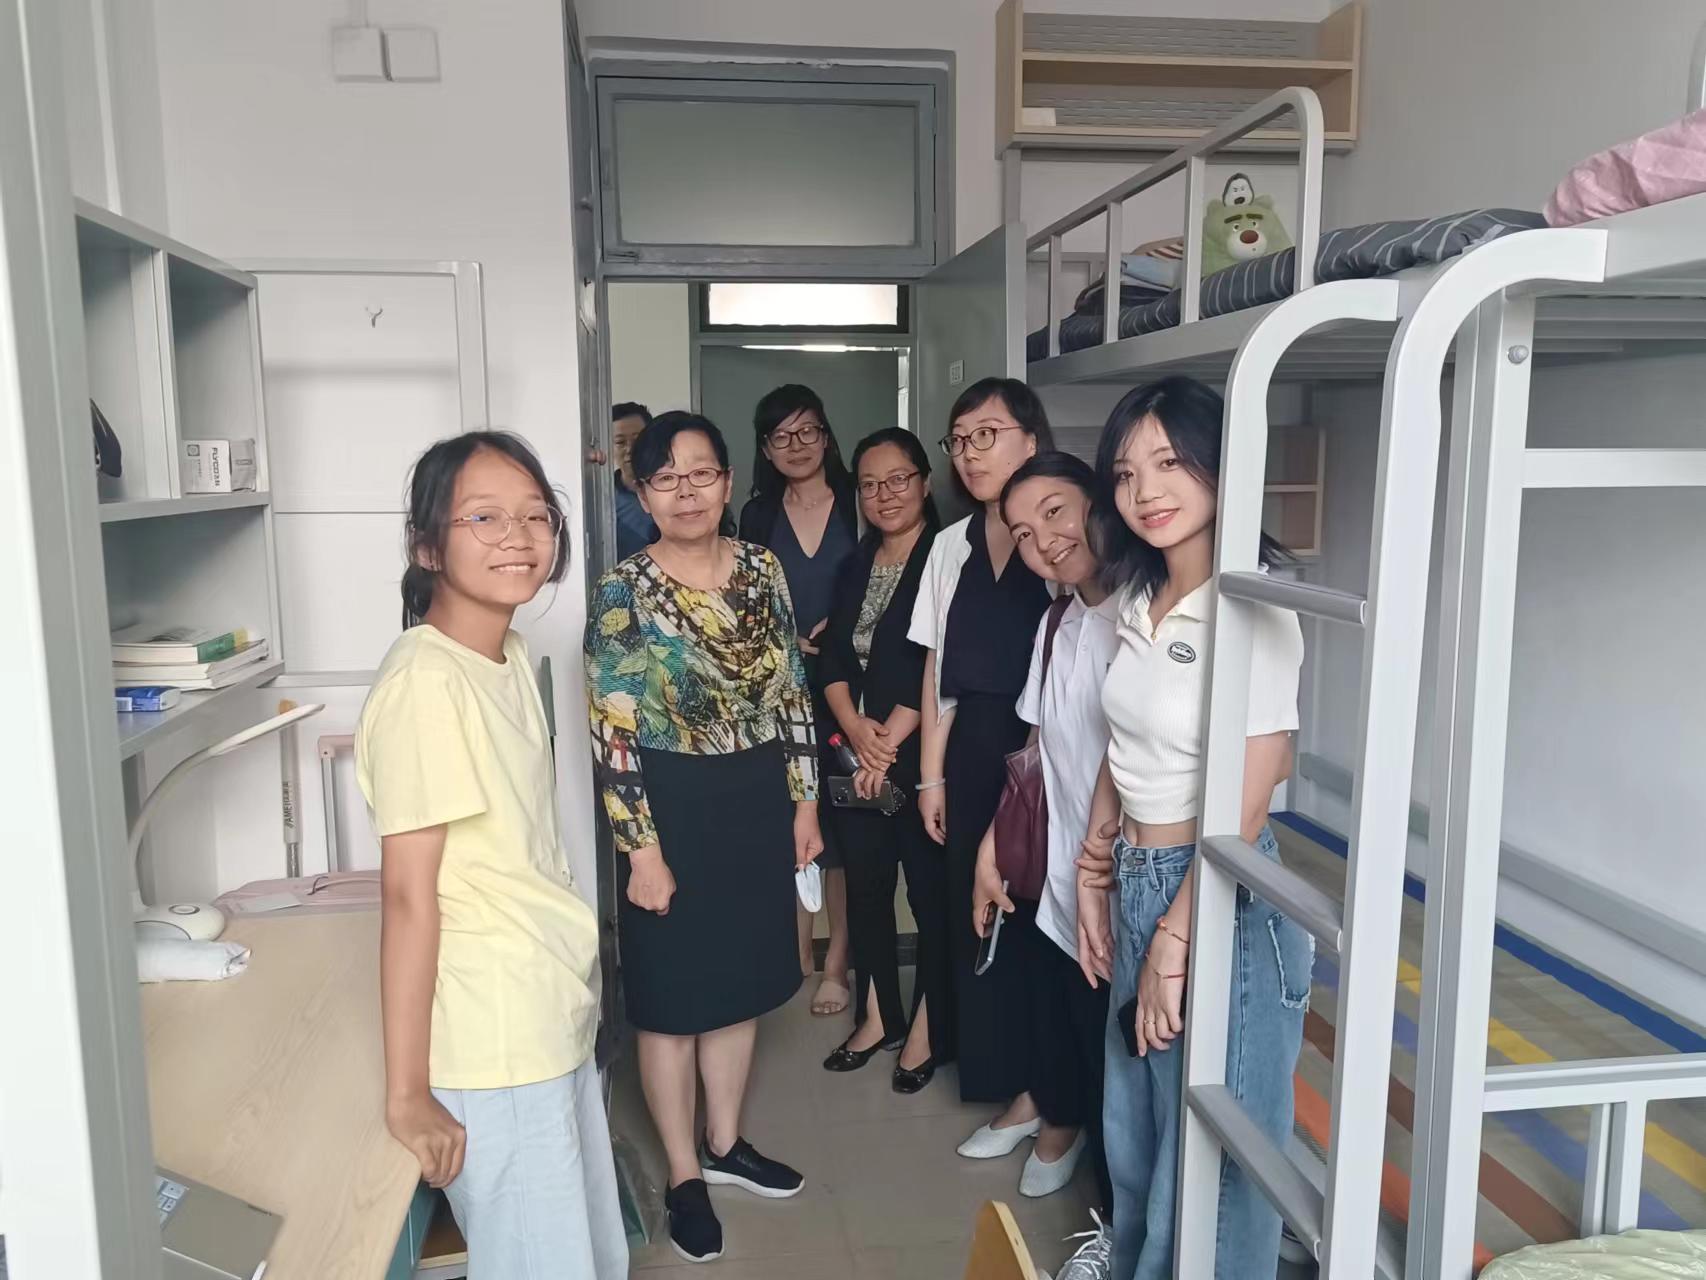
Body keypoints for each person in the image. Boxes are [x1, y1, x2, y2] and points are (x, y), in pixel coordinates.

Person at [356, 431, 626, 1279]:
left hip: (546, 1008)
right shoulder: (425, 685)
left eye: (535, 516)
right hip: (495, 1035)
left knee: (588, 1254)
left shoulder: (505, 654)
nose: (517, 536)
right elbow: (410, 897)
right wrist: (408, 1093)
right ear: (427, 546)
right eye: (484, 517)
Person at [1075, 376, 1309, 1280]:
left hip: (1219, 888)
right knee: (1135, 1121)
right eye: (1127, 473)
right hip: (1140, 874)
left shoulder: (1254, 600)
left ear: (1220, 464)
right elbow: (1121, 742)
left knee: (1215, 1147)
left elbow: (1253, 788)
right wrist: (1095, 870)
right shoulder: (1138, 598)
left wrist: (1177, 934)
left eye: (1170, 462)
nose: (1146, 491)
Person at [584, 410, 822, 1265]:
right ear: (642, 492)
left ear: (726, 481)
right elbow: (612, 733)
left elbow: (792, 690)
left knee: (740, 983)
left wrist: (804, 804)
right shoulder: (623, 590)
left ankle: (725, 1142)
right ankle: (684, 1173)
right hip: (671, 804)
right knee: (673, 997)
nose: (685, 491)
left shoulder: (762, 568)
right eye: (665, 477)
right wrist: (641, 852)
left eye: (701, 473)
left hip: (757, 795)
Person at [971, 452, 1118, 1209]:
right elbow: (1036, 750)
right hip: (1062, 875)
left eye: (1055, 512)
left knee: (1125, 1060)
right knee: (1066, 1014)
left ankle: (1124, 1221)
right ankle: (1060, 1121)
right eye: (1025, 533)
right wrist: (992, 848)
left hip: (1125, 880)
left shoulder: (1150, 616)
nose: (1045, 541)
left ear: (1099, 500)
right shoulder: (1059, 621)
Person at [907, 377, 1055, 1121]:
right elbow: (937, 668)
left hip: (1045, 753)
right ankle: (989, 1070)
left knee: (1035, 915)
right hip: (969, 751)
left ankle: (1039, 1085)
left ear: (1032, 441)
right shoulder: (949, 545)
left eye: (986, 435)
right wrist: (930, 778)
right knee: (970, 907)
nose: (969, 453)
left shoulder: (1060, 537)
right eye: (959, 440)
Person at [816, 427, 949, 1092]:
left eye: (898, 479)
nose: (884, 494)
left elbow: (936, 661)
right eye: (869, 485)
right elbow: (833, 655)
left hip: (921, 755)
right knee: (866, 890)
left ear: (924, 482)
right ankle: (876, 1017)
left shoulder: (947, 557)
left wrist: (885, 744)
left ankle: (926, 1027)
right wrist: (853, 727)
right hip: (856, 752)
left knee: (927, 897)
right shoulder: (856, 562)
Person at [738, 385, 860, 1017]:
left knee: (844, 829)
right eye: (781, 436)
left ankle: (837, 963)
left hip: (851, 688)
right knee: (789, 821)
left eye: (807, 431)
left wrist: (842, 632)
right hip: (776, 691)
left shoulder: (859, 502)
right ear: (765, 448)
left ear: (826, 435)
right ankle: (794, 957)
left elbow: (886, 581)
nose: (796, 445)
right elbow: (742, 600)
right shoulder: (757, 515)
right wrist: (783, 639)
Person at [612, 402, 658, 560]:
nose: (630, 449)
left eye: (637, 440)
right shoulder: (602, 500)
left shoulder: (674, 489)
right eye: (620, 443)